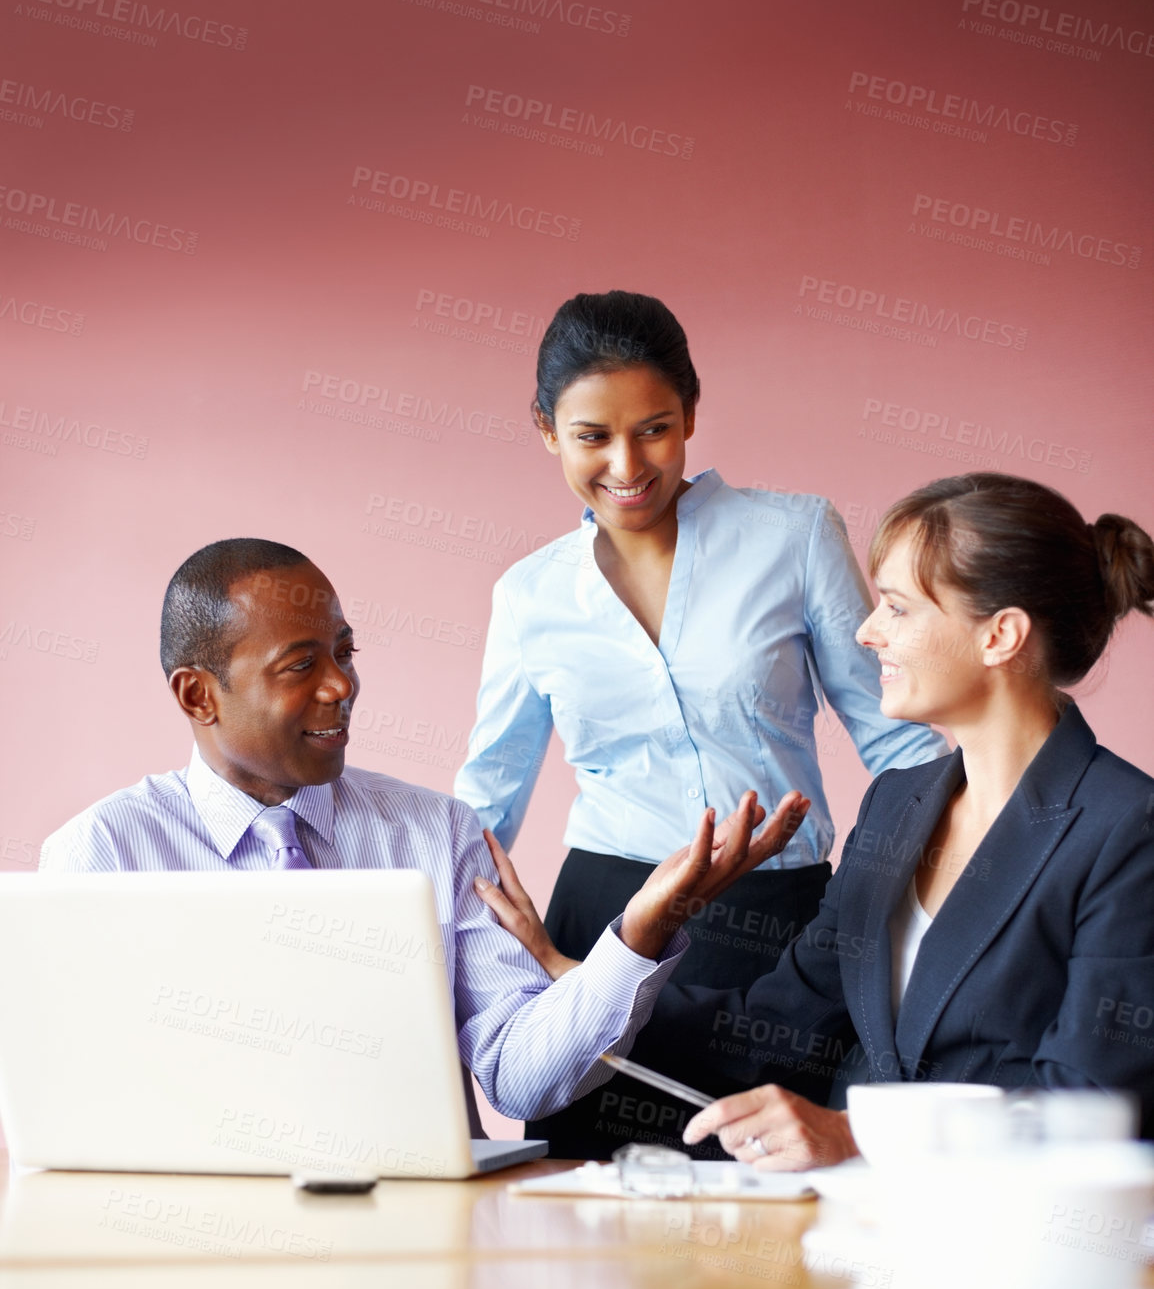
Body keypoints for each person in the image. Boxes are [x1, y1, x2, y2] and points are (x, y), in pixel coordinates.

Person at [478, 473, 1154, 1156]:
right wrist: (591, 975)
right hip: (857, 1228)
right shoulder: (897, 805)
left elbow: (1089, 1102)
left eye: (896, 607)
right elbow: (774, 1027)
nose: (865, 631)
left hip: (1018, 1239)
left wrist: (856, 1136)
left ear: (1001, 635)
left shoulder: (1127, 829)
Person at [39, 539, 807, 1128]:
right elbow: (77, 1099)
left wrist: (638, 935)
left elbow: (521, 1076)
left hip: (420, 1241)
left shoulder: (434, 831)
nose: (342, 685)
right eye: (300, 665)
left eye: (344, 652)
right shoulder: (99, 859)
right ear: (198, 695)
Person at [454, 289, 946, 1156]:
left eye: (655, 428)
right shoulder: (529, 593)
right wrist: (433, 942)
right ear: (545, 429)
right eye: (591, 436)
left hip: (778, 924)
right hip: (604, 925)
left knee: (778, 1205)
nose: (627, 463)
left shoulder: (793, 535)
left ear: (691, 415)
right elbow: (487, 793)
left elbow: (899, 739)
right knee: (591, 1212)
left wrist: (899, 895)